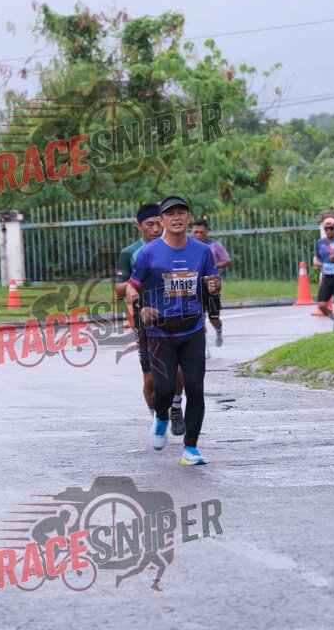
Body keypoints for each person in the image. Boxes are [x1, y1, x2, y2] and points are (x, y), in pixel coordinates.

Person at [127, 195, 221, 466]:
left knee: (195, 388)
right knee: (165, 390)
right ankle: (161, 417)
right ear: (163, 220)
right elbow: (133, 286)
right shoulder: (148, 253)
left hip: (192, 329)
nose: (176, 218)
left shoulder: (202, 251)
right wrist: (141, 307)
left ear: (188, 218)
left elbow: (213, 282)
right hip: (160, 333)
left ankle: (190, 448)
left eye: (181, 213)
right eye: (170, 214)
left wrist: (215, 286)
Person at [115, 203, 185, 435]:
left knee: (178, 371)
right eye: (149, 224)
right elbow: (118, 290)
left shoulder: (176, 247)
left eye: (158, 223)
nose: (155, 229)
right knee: (150, 379)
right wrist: (141, 277)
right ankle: (157, 418)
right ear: (140, 227)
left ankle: (176, 407)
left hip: (174, 315)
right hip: (144, 320)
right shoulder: (130, 253)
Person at [191, 218, 231, 348]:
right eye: (195, 232)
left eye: (201, 232)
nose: (198, 235)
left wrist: (210, 266)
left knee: (214, 319)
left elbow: (226, 260)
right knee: (199, 317)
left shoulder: (215, 245)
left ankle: (219, 331)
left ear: (207, 231)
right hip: (195, 285)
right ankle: (203, 347)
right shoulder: (187, 245)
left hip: (212, 285)